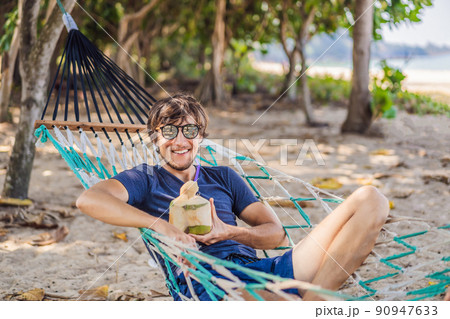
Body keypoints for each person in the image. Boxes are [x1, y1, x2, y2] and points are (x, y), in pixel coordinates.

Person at [76, 93, 389, 300]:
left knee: (371, 198)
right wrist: (161, 226)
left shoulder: (223, 177)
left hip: (261, 270)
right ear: (155, 138)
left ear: (202, 138)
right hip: (209, 284)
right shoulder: (145, 179)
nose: (180, 140)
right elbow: (89, 200)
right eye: (169, 131)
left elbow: (276, 235)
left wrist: (231, 232)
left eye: (189, 130)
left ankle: (311, 303)